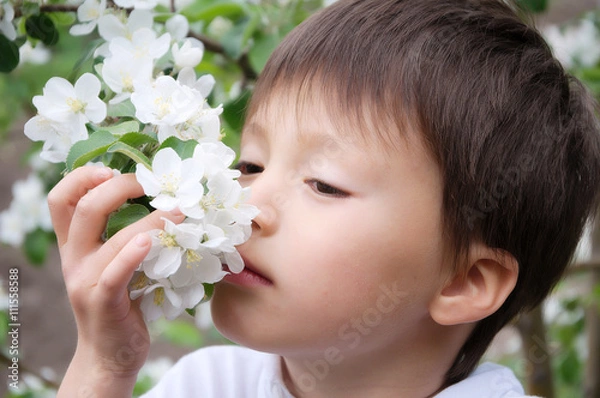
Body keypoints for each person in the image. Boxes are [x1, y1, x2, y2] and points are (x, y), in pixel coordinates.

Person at [50, 0, 600, 396]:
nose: (247, 205)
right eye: (250, 165)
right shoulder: (208, 384)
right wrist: (102, 367)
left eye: (324, 184)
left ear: (464, 281)